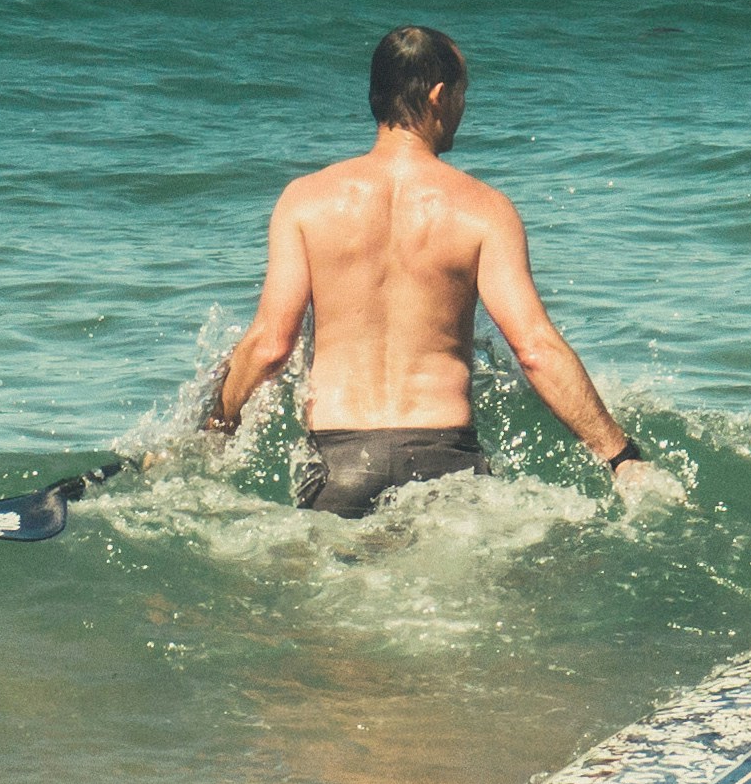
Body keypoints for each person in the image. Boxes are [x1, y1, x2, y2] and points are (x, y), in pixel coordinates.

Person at [204, 26, 663, 516]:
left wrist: (215, 429)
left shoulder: (304, 201)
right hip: (445, 460)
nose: (464, 109)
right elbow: (535, 350)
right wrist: (621, 456)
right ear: (439, 96)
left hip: (338, 463)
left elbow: (271, 345)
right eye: (463, 94)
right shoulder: (484, 210)